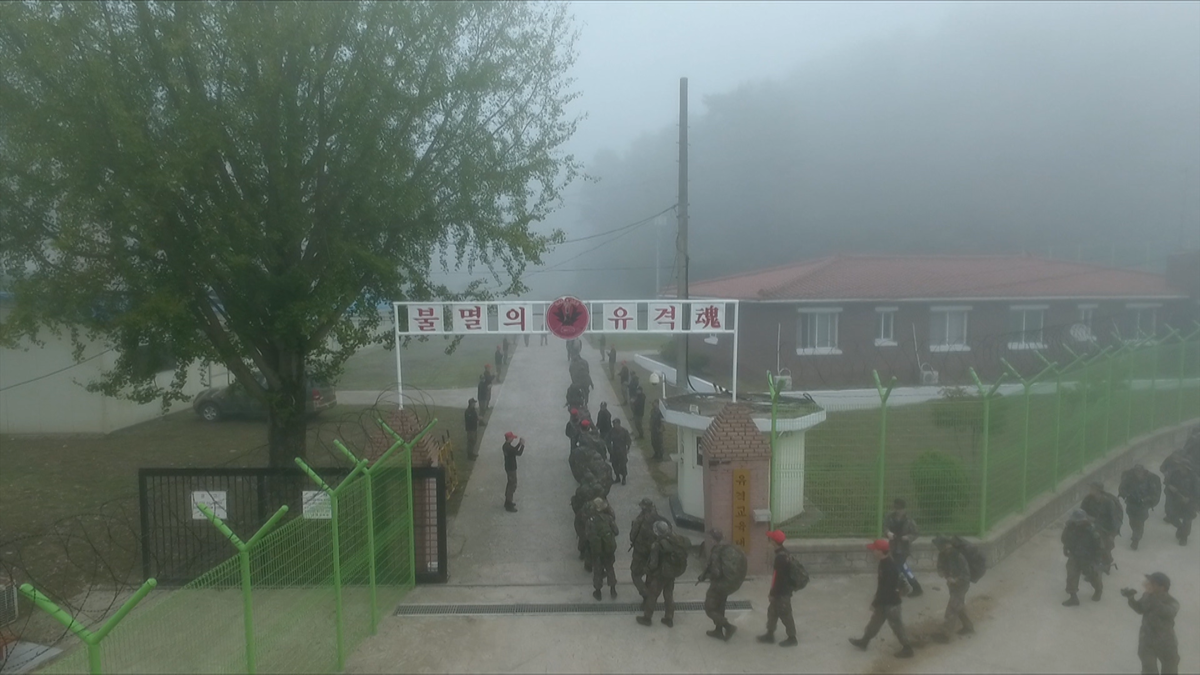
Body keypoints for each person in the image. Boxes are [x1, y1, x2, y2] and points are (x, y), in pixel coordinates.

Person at [849, 538, 914, 658]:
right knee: (874, 622)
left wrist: (876, 602)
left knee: (897, 627)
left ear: (880, 551)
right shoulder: (884, 563)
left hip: (891, 604)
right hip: (884, 601)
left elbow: (887, 589)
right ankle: (864, 641)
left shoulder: (889, 567)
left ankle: (907, 649)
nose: (873, 552)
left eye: (875, 550)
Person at [1121, 572, 1179, 675]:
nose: (1148, 584)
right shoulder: (1147, 596)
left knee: (1170, 669)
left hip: (1166, 642)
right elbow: (1140, 609)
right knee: (1148, 670)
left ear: (1162, 587)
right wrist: (1131, 598)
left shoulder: (1172, 602)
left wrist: (1153, 598)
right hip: (1147, 640)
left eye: (1152, 583)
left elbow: (1167, 612)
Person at [637, 520, 688, 628]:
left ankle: (647, 618)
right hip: (672, 573)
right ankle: (669, 618)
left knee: (652, 595)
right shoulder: (676, 539)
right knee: (668, 595)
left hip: (661, 574)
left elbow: (653, 564)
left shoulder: (657, 545)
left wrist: (646, 569)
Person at [698, 529, 746, 641]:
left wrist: (706, 576)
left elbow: (716, 573)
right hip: (728, 583)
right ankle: (718, 630)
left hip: (719, 585)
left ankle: (728, 627)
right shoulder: (728, 548)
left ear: (713, 539)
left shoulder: (716, 552)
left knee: (709, 608)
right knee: (720, 606)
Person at [757, 530, 800, 647]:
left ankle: (792, 638)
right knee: (772, 612)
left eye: (771, 539)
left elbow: (777, 579)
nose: (769, 540)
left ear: (774, 542)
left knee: (785, 614)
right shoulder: (785, 553)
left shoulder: (780, 558)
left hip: (782, 592)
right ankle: (769, 634)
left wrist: (772, 593)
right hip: (782, 590)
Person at [930, 536, 974, 643]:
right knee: (958, 606)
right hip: (952, 585)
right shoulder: (942, 555)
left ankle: (945, 635)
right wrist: (945, 575)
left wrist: (956, 580)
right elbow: (940, 568)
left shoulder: (959, 556)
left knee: (952, 608)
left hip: (961, 585)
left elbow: (967, 575)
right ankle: (968, 627)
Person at [1061, 508, 1104, 606]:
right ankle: (1073, 597)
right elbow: (1065, 538)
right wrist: (1066, 547)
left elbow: (1099, 547)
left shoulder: (1092, 531)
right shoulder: (1070, 527)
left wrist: (1096, 561)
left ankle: (1098, 590)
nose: (1077, 523)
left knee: (1092, 575)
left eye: (1079, 521)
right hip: (1075, 555)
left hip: (1088, 558)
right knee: (1071, 574)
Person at [883, 498, 923, 596]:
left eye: (900, 509)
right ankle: (909, 587)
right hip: (893, 547)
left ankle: (907, 587)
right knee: (901, 568)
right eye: (896, 508)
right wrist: (888, 533)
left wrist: (908, 537)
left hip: (903, 548)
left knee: (898, 568)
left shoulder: (909, 520)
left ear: (904, 509)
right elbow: (885, 527)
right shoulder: (890, 517)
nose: (898, 511)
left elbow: (916, 533)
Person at [629, 498, 667, 598]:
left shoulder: (639, 520)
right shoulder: (660, 519)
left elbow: (632, 536)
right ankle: (649, 597)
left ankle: (645, 593)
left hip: (640, 552)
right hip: (655, 553)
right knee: (650, 574)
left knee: (635, 574)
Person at [1081, 481, 1122, 571]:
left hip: (1106, 528)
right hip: (1092, 526)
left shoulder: (1108, 502)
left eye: (1092, 488)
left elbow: (1113, 520)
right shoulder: (1088, 499)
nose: (1090, 490)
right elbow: (1082, 512)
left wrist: (1111, 535)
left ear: (1098, 491)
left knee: (1103, 546)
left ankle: (1106, 562)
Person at [1119, 464, 1162, 550]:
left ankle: (1136, 539)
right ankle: (1135, 533)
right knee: (1132, 521)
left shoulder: (1150, 480)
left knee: (1140, 522)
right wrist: (1127, 495)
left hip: (1143, 505)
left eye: (1140, 471)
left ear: (1143, 471)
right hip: (1131, 503)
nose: (1138, 473)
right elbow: (1122, 488)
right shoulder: (1129, 478)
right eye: (1136, 471)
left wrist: (1145, 499)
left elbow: (1154, 493)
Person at [586, 497, 619, 600]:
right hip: (608, 550)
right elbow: (616, 531)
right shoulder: (608, 518)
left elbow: (587, 535)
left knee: (597, 570)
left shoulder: (590, 521)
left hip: (597, 551)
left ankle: (598, 592)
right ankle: (613, 590)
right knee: (610, 568)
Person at [1163, 458, 1197, 546]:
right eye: (1180, 466)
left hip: (1189, 502)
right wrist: (1170, 486)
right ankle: (1180, 528)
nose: (1181, 469)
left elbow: (1197, 491)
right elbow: (1166, 482)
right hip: (1176, 500)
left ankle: (1184, 537)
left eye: (1183, 467)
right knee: (1171, 516)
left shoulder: (1193, 477)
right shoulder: (1175, 474)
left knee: (1187, 519)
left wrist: (1189, 498)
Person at [501, 432, 525, 513]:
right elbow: (518, 453)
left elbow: (513, 450)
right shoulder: (509, 448)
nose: (513, 439)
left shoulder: (505, 446)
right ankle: (509, 503)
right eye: (512, 438)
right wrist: (522, 445)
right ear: (509, 438)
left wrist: (519, 444)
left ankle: (507, 501)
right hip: (511, 468)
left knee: (510, 484)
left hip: (508, 467)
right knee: (512, 485)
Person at [609, 419, 630, 485]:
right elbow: (608, 439)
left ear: (619, 424)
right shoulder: (612, 431)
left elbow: (628, 440)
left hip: (622, 450)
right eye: (614, 424)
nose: (615, 425)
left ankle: (624, 478)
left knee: (623, 464)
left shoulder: (624, 431)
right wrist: (610, 448)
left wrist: (628, 448)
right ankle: (617, 477)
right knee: (614, 464)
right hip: (614, 450)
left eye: (616, 424)